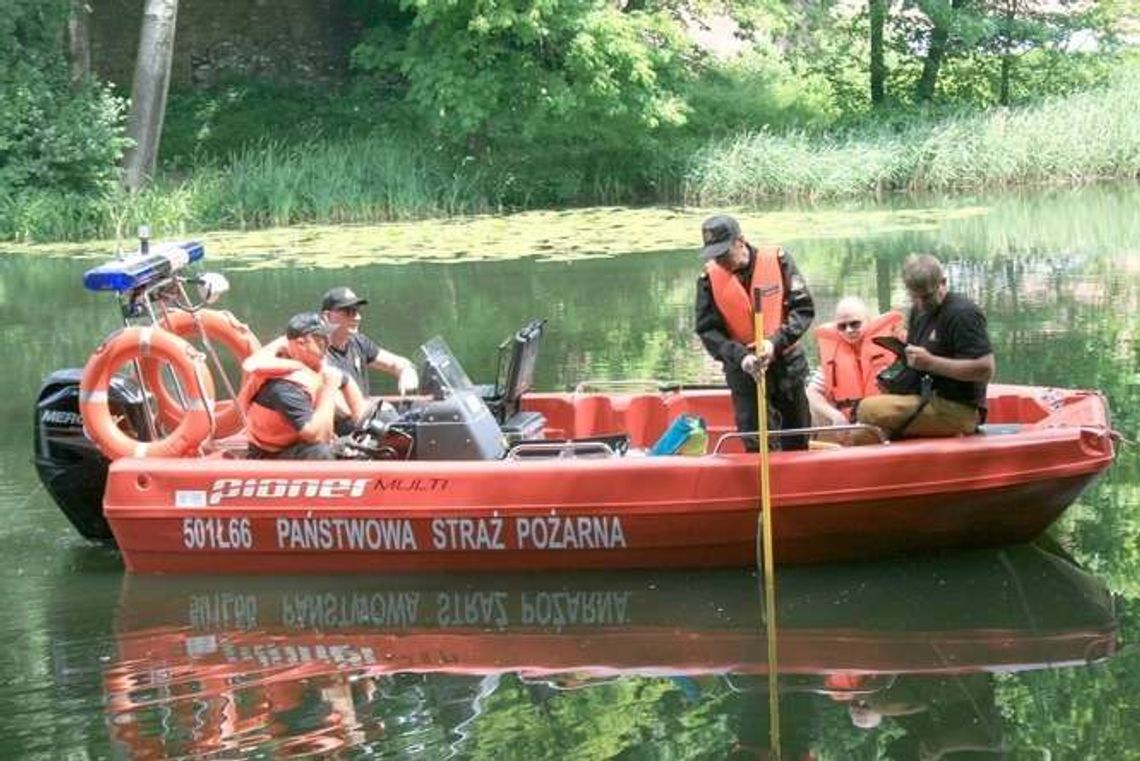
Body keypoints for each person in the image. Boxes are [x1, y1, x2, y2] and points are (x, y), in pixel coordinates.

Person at [695, 214, 814, 451]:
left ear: (740, 242)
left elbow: (803, 309)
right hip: (744, 369)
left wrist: (775, 343)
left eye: (724, 253)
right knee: (755, 442)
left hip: (786, 364)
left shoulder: (779, 262)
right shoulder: (708, 279)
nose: (720, 261)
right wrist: (741, 357)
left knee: (797, 437)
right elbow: (708, 331)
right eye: (715, 256)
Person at [856, 254, 995, 440]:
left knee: (868, 410)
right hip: (927, 399)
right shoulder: (918, 310)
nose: (921, 303)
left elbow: (985, 369)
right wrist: (893, 381)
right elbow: (916, 366)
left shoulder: (962, 314)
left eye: (927, 296)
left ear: (943, 282)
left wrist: (931, 363)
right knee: (866, 419)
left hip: (960, 409)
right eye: (915, 297)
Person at [238, 312, 364, 459]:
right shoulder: (283, 386)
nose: (328, 342)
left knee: (354, 428)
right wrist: (328, 389)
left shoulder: (313, 367)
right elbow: (317, 437)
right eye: (320, 338)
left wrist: (360, 423)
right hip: (272, 454)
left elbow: (346, 381)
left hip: (300, 441)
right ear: (301, 343)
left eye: (326, 337)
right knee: (322, 453)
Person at [807, 296, 904, 429]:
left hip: (883, 420)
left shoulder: (890, 346)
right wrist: (835, 415)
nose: (849, 330)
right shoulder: (832, 355)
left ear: (868, 321)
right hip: (848, 425)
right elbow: (812, 392)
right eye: (842, 326)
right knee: (810, 409)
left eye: (855, 324)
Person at [320, 286, 419, 398]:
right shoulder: (318, 354)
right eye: (348, 311)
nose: (358, 318)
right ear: (327, 317)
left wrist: (407, 371)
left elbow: (395, 363)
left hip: (364, 412)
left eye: (357, 311)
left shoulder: (358, 342)